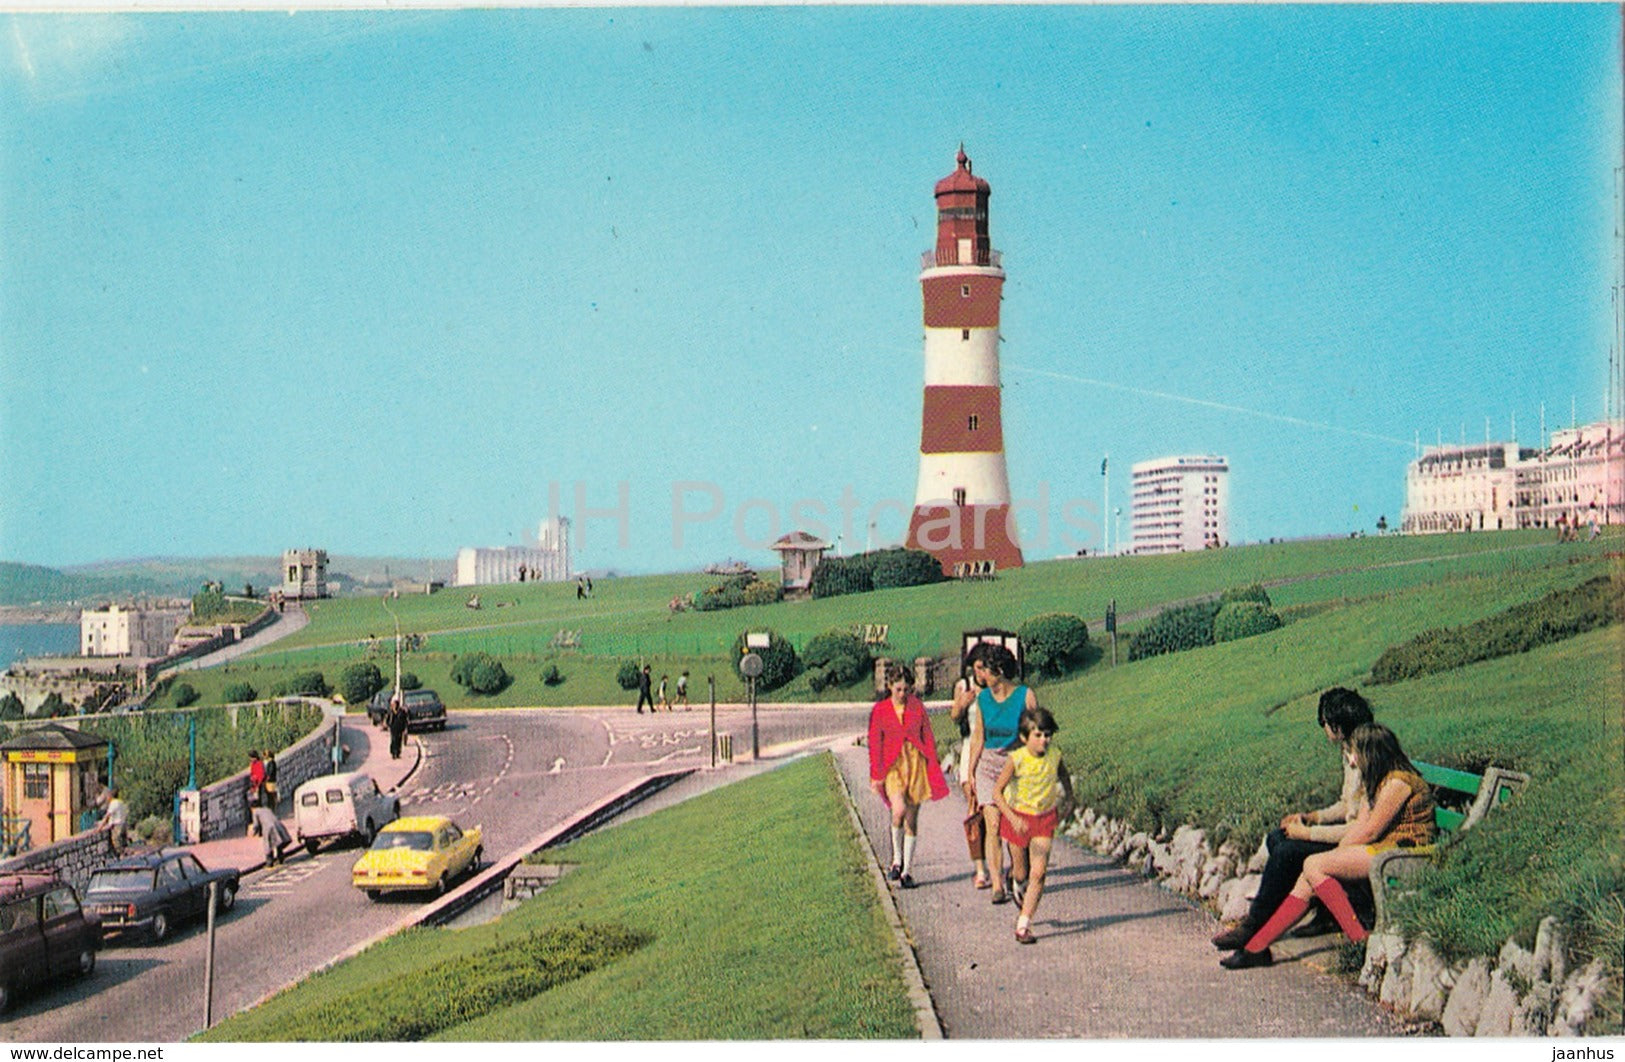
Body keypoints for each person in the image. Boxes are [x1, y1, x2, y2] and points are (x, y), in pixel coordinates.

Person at [1220, 722, 1436, 969]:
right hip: (1383, 848)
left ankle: (1358, 939)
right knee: (1308, 875)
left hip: (1404, 852)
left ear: (1371, 753)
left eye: (1354, 753)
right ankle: (1256, 948)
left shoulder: (1399, 783)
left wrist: (1333, 857)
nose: (1351, 759)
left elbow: (1371, 830)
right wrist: (1336, 855)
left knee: (1314, 865)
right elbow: (1360, 828)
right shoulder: (1378, 782)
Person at [1211, 687, 1375, 949]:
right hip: (1350, 836)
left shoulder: (1369, 756)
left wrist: (1307, 834)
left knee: (1288, 850)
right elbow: (1347, 804)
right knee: (1277, 838)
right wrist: (1310, 817)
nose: (1324, 729)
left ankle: (1254, 926)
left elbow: (1359, 827)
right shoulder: (1351, 751)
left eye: (1325, 723)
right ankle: (1325, 913)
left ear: (1338, 724)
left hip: (1358, 844)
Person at [960, 644, 1038, 904]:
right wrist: (970, 771)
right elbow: (978, 736)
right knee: (992, 824)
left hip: (1015, 766)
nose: (983, 678)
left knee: (1016, 834)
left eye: (988, 673)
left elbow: (1035, 736)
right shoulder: (983, 699)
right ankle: (996, 884)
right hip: (988, 766)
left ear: (1000, 671)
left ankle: (1018, 877)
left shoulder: (1025, 696)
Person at [992, 707, 1076, 944]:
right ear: (1024, 737)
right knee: (1022, 873)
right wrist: (1012, 817)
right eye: (1038, 735)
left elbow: (1064, 776)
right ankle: (1017, 882)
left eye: (1047, 735)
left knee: (1038, 874)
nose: (1044, 741)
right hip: (1018, 818)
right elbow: (997, 793)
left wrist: (1069, 799)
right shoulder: (1016, 759)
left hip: (1044, 819)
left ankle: (1023, 925)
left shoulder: (1055, 755)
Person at [868, 664, 950, 889]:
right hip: (893, 766)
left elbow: (928, 737)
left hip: (915, 764)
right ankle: (896, 860)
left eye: (906, 690)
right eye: (898, 690)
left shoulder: (917, 707)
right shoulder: (881, 710)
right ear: (889, 687)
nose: (902, 694)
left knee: (912, 819)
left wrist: (934, 764)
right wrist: (877, 775)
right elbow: (875, 742)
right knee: (899, 810)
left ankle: (906, 871)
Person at [950, 644, 991, 889]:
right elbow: (954, 717)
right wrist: (963, 703)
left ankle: (994, 862)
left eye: (985, 667)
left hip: (992, 749)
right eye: (978, 667)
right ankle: (980, 867)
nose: (982, 672)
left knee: (991, 810)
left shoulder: (997, 686)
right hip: (969, 747)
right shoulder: (963, 686)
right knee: (975, 806)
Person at [250, 791, 292, 866]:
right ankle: (281, 857)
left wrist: (253, 832)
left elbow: (256, 825)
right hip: (277, 824)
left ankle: (270, 862)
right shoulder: (266, 809)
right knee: (278, 842)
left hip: (268, 827)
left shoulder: (255, 812)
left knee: (268, 844)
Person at [98, 787, 128, 854]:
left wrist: (100, 827)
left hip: (117, 825)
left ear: (111, 796)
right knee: (123, 842)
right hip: (123, 824)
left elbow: (107, 816)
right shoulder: (121, 802)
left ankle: (122, 856)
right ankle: (127, 854)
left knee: (116, 841)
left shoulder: (113, 803)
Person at [387, 691, 409, 760]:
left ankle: (398, 753)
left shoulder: (402, 711)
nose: (394, 706)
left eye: (396, 704)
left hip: (400, 728)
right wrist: (388, 725)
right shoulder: (391, 712)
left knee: (399, 740)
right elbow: (388, 719)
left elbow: (405, 720)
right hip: (393, 728)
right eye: (394, 704)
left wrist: (405, 728)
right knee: (393, 740)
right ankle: (393, 753)